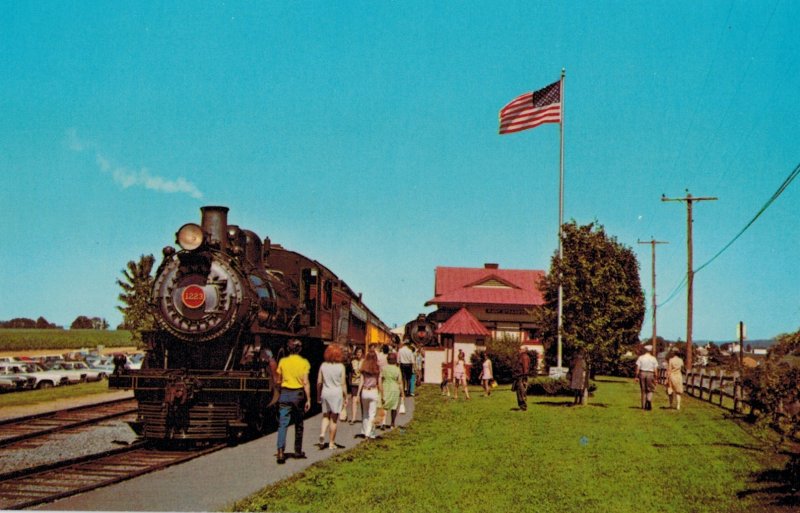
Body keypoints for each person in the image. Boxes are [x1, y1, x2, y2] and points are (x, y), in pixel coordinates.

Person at [275, 338, 311, 464]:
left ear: (288, 349)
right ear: (299, 349)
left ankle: (280, 451)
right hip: (298, 395)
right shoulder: (303, 363)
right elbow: (306, 382)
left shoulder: (283, 362)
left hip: (285, 394)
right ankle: (297, 451)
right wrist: (309, 399)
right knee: (299, 423)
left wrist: (281, 389)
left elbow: (278, 380)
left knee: (282, 424)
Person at [317, 343, 347, 450]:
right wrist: (345, 396)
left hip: (325, 392)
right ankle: (331, 443)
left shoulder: (323, 365)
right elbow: (343, 383)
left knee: (325, 416)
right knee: (334, 419)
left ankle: (322, 433)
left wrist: (318, 395)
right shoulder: (341, 367)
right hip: (336, 393)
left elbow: (319, 382)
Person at [358, 349, 382, 439]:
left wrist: (357, 394)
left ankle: (364, 431)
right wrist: (381, 393)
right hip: (373, 391)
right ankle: (370, 433)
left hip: (364, 391)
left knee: (365, 413)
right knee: (372, 414)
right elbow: (379, 383)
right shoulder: (377, 368)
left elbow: (361, 381)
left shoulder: (364, 368)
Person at [380, 352, 404, 430]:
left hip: (386, 387)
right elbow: (400, 382)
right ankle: (392, 423)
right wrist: (402, 393)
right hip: (395, 388)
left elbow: (381, 378)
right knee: (394, 407)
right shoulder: (397, 369)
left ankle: (383, 423)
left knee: (384, 406)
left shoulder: (384, 368)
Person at [635, 344, 659, 410]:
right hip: (650, 374)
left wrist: (636, 376)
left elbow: (638, 368)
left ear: (645, 350)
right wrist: (656, 378)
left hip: (642, 373)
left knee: (643, 390)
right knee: (650, 389)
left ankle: (643, 406)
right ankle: (649, 399)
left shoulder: (641, 357)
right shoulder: (653, 358)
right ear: (651, 351)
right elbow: (656, 370)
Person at [513, 345, 531, 411]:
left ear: (524, 350)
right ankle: (521, 406)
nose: (519, 350)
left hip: (521, 376)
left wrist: (524, 378)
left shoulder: (524, 357)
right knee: (519, 391)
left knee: (521, 392)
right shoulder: (521, 357)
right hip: (518, 376)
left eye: (520, 349)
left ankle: (523, 406)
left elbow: (525, 368)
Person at [348, 347, 364, 423]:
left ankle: (364, 417)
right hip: (354, 383)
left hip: (363, 383)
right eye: (357, 352)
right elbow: (350, 372)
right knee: (354, 400)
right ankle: (353, 418)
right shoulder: (352, 362)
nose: (358, 354)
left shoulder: (364, 362)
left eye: (360, 352)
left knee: (362, 401)